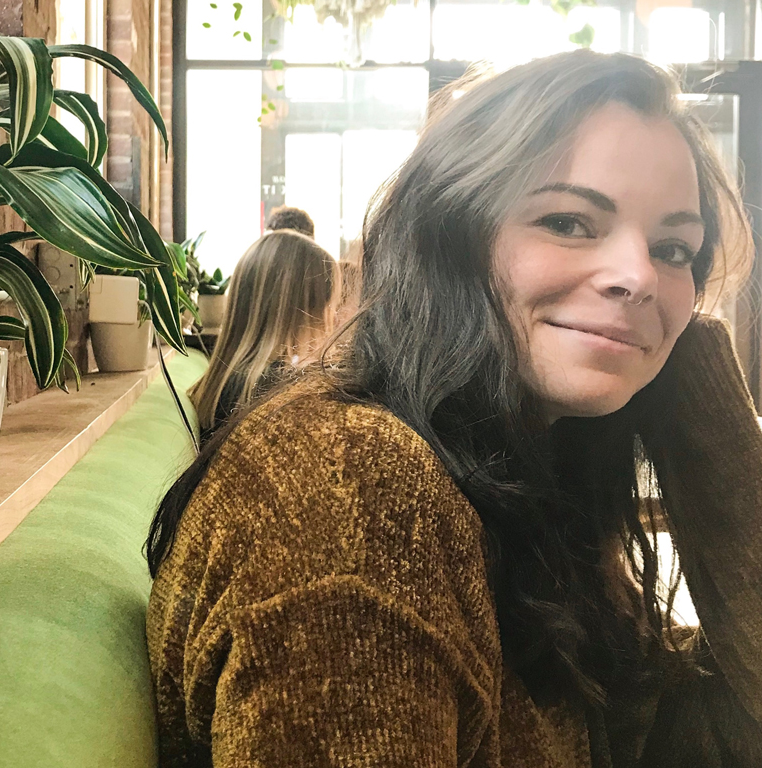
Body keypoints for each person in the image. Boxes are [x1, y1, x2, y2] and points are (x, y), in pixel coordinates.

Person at [146, 50, 762, 767]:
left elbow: (698, 733)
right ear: (446, 236)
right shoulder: (357, 490)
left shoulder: (523, 473)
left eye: (673, 247)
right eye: (568, 221)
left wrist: (696, 374)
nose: (638, 276)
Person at [188, 229, 339, 442]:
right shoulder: (276, 392)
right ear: (302, 310)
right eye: (330, 303)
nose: (331, 317)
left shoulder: (230, 380)